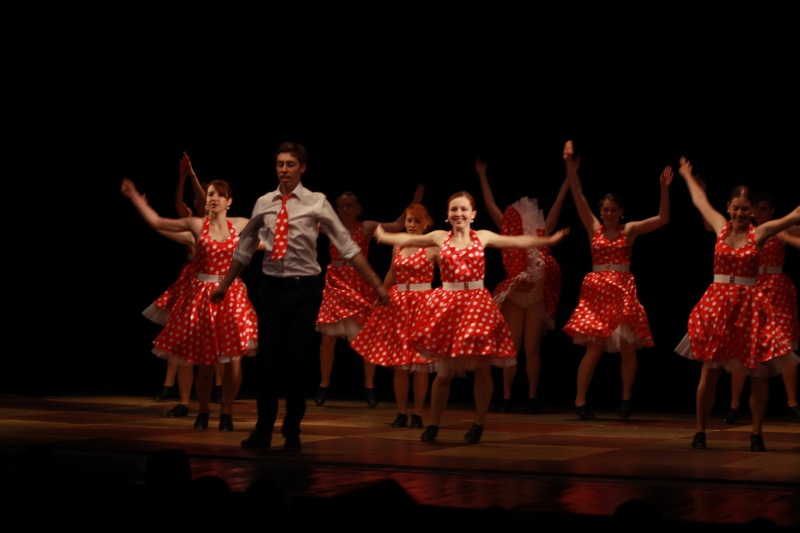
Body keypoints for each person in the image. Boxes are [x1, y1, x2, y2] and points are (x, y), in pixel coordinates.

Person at [209, 141, 391, 452]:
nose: (284, 169)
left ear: (302, 168)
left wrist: (377, 285)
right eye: (280, 164)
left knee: (297, 362)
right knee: (267, 362)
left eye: (290, 164)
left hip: (304, 291)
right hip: (271, 289)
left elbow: (348, 247)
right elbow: (244, 249)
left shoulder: (316, 202)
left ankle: (292, 430)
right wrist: (224, 285)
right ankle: (263, 430)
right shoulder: (264, 202)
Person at [374, 191, 569, 444]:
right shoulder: (439, 237)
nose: (459, 213)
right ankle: (434, 423)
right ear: (447, 215)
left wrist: (548, 239)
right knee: (444, 373)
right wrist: (384, 236)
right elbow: (407, 237)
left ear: (473, 214)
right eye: (454, 209)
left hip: (476, 306)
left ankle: (479, 423)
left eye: (463, 209)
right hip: (449, 306)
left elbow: (515, 241)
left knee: (482, 369)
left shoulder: (482, 236)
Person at [674, 156, 800, 451]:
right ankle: (700, 430)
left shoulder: (761, 232)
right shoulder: (720, 226)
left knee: (758, 373)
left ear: (752, 210)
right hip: (718, 307)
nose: (740, 213)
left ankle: (756, 433)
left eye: (745, 208)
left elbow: (794, 215)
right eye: (736, 208)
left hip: (748, 308)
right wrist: (686, 175)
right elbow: (699, 201)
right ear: (729, 207)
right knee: (710, 371)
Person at [121, 176, 258, 431]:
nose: (214, 198)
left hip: (231, 295)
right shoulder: (196, 225)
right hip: (203, 296)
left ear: (229, 201)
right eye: (210, 194)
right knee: (206, 363)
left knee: (235, 360)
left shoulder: (241, 224)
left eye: (219, 194)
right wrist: (135, 198)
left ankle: (227, 412)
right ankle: (203, 411)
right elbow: (158, 222)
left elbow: (267, 237)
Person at [562, 140, 672, 421]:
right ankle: (579, 401)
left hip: (622, 290)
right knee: (594, 347)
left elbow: (663, 218)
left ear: (621, 211)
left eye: (613, 209)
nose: (609, 214)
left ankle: (625, 399)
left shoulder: (629, 230)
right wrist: (570, 167)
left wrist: (663, 188)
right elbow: (578, 195)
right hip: (597, 293)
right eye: (605, 209)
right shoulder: (594, 228)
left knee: (628, 347)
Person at [475, 155, 570, 414]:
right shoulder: (508, 231)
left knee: (532, 348)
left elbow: (559, 202)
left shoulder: (543, 230)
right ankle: (506, 396)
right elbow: (490, 204)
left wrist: (569, 177)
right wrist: (482, 175)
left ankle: (532, 397)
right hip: (516, 295)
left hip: (536, 295)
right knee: (513, 348)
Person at [315, 186, 424, 408]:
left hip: (359, 284)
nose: (344, 209)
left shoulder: (366, 227)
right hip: (336, 284)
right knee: (328, 338)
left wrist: (414, 201)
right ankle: (324, 384)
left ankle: (369, 385)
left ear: (358, 209)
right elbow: (304, 225)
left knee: (367, 336)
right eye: (341, 206)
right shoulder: (330, 226)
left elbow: (397, 225)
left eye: (349, 206)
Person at [144, 152, 226, 406]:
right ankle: (171, 387)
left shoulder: (216, 223)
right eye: (203, 196)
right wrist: (183, 177)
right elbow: (179, 203)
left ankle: (218, 388)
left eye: (209, 197)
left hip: (210, 279)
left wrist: (191, 174)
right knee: (177, 333)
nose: (203, 200)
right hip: (189, 279)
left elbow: (203, 199)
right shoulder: (191, 220)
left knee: (216, 334)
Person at [350, 203, 439, 428]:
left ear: (425, 223)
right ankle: (401, 412)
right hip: (399, 305)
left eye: (417, 221)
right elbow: (392, 273)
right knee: (401, 364)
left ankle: (417, 413)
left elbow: (449, 272)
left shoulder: (431, 247)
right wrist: (380, 294)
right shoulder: (398, 245)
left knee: (420, 365)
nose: (412, 225)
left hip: (423, 306)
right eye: (409, 220)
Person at [720, 192, 800, 424]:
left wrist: (787, 237)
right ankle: (734, 404)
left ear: (772, 212)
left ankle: (792, 402)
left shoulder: (780, 228)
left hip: (776, 287)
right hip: (753, 287)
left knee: (784, 344)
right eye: (757, 209)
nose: (759, 213)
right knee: (745, 347)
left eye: (764, 209)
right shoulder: (745, 231)